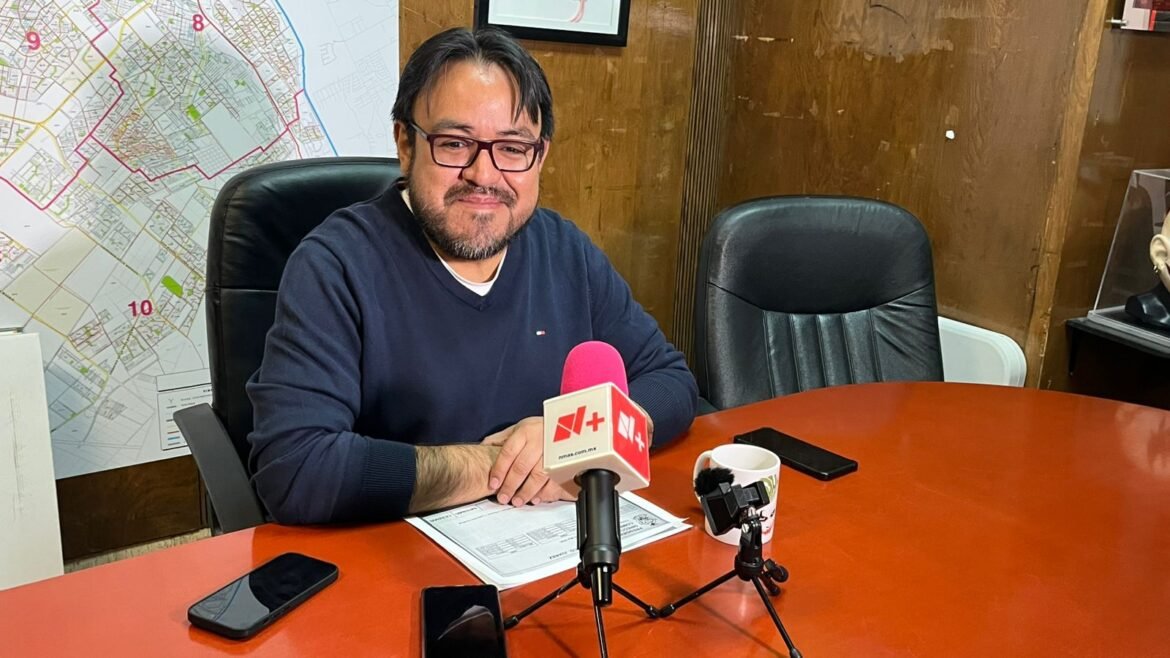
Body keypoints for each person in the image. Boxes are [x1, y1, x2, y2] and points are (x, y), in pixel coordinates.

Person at [245, 27, 698, 524]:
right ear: (405, 143)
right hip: (397, 552)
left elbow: (671, 382)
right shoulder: (336, 265)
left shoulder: (564, 250)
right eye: (455, 143)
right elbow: (296, 467)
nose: (484, 175)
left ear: (540, 156)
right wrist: (501, 464)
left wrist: (574, 439)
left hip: (550, 543)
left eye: (513, 148)